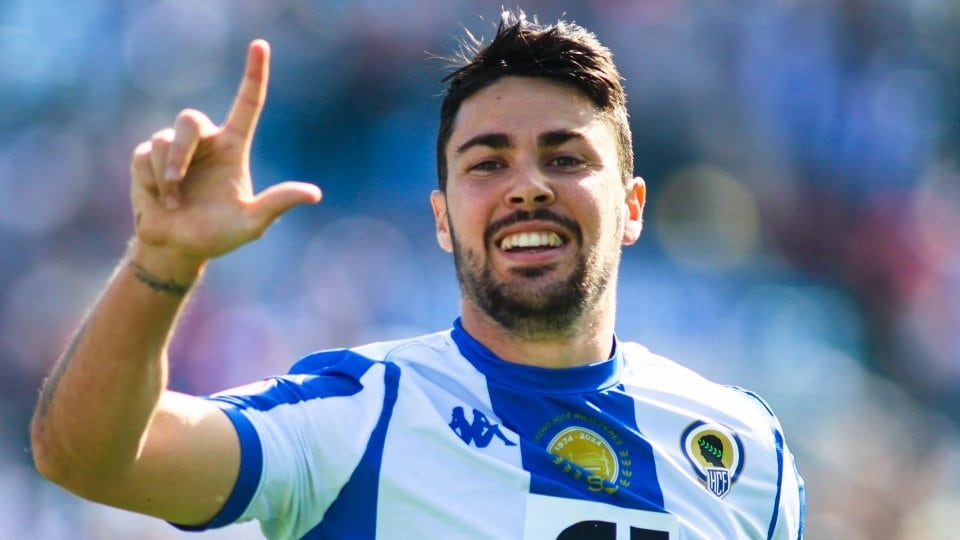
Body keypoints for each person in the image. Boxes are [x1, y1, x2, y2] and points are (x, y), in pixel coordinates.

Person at [30, 10, 805, 540]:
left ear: (632, 206)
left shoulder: (746, 452)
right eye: (488, 162)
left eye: (565, 158)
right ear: (441, 218)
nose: (527, 185)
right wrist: (160, 265)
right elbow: (86, 456)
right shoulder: (363, 414)